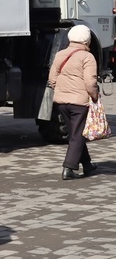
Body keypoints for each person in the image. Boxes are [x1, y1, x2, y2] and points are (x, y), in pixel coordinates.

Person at [48, 24, 99, 180]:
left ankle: (88, 165)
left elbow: (52, 78)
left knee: (75, 133)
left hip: (61, 101)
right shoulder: (87, 57)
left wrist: (61, 91)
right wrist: (95, 96)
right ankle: (68, 168)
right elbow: (90, 83)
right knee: (77, 135)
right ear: (87, 40)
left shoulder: (60, 54)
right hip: (79, 103)